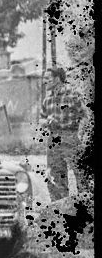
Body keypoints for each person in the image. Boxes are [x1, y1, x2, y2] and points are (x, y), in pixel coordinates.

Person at [40, 65, 83, 200]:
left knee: (81, 175)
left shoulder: (73, 94)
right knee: (55, 177)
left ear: (57, 79)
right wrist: (45, 121)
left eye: (47, 78)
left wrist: (80, 136)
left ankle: (87, 208)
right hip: (53, 139)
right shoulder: (47, 100)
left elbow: (85, 115)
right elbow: (41, 118)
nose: (44, 81)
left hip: (70, 136)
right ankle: (61, 212)